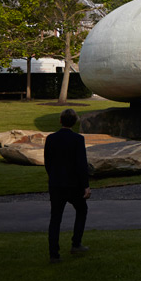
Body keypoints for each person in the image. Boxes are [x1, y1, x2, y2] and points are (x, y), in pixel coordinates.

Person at [44, 108, 91, 264]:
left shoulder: (50, 139)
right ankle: (76, 243)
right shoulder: (78, 139)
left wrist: (52, 176)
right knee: (82, 209)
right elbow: (81, 164)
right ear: (75, 122)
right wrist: (85, 185)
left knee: (55, 218)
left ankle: (53, 254)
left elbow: (48, 162)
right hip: (73, 184)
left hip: (56, 183)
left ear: (60, 121)